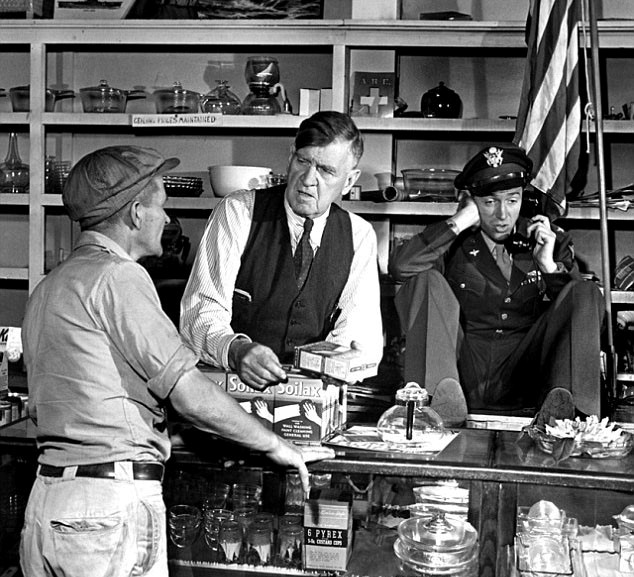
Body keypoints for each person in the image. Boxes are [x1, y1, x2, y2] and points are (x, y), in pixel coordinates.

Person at [19, 145, 333, 577]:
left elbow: (92, 393)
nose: (166, 221)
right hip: (106, 509)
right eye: (160, 207)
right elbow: (190, 394)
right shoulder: (120, 277)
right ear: (134, 214)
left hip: (47, 502)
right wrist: (274, 444)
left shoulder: (49, 286)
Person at [388, 144, 605, 426]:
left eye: (512, 201)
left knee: (585, 290)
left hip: (527, 376)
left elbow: (580, 315)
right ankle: (431, 408)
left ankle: (574, 416)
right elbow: (400, 268)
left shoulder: (548, 240)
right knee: (425, 279)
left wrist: (549, 267)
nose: (503, 215)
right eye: (490, 202)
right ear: (471, 201)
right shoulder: (450, 241)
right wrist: (458, 221)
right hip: (457, 376)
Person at [180, 111, 383, 391]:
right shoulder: (238, 211)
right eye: (303, 161)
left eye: (326, 170)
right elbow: (200, 312)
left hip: (310, 395)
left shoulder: (358, 235)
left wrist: (340, 361)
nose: (308, 179)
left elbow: (358, 331)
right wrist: (236, 350)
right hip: (230, 390)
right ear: (290, 157)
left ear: (349, 181)